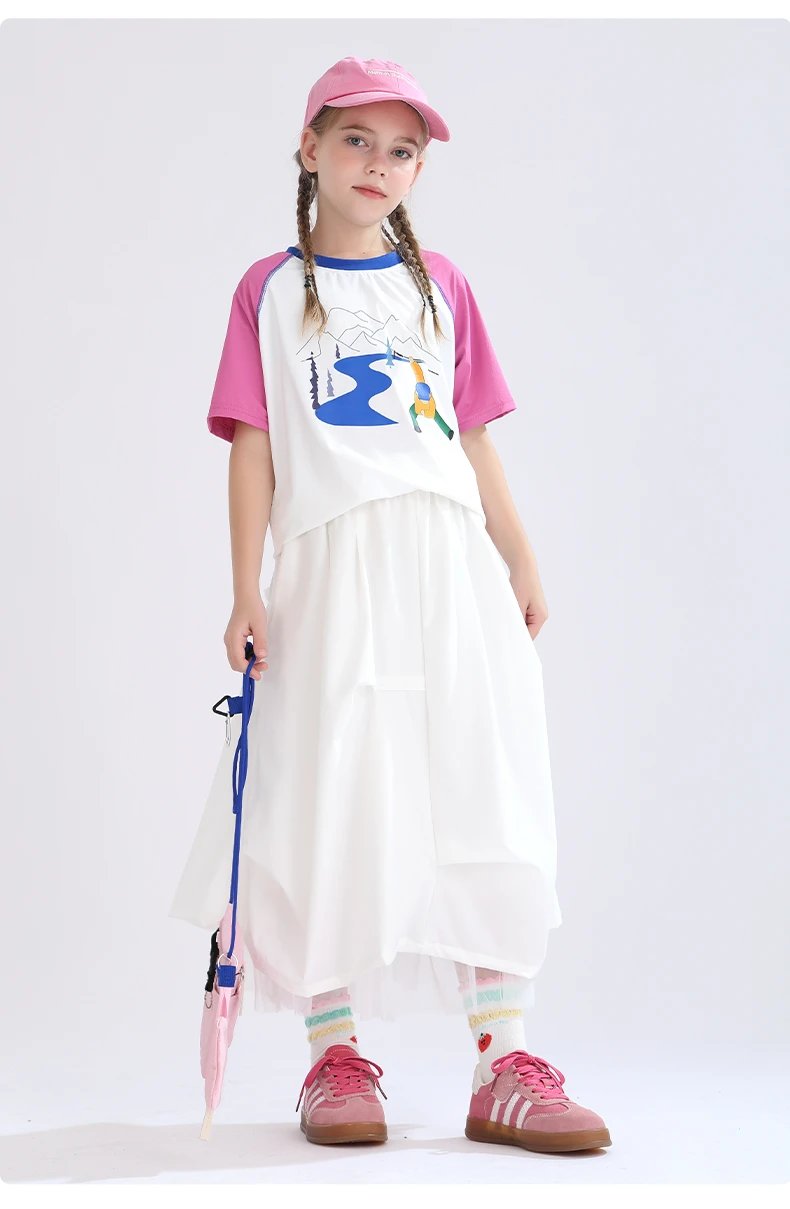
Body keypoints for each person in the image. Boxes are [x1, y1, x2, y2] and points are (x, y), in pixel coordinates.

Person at [169, 55, 611, 1154]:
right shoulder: (269, 291)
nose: (379, 164)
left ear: (420, 170)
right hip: (332, 566)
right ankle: (333, 1053)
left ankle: (502, 1059)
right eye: (357, 140)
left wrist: (519, 556)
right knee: (329, 787)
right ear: (309, 149)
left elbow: (471, 436)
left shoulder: (440, 284)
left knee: (478, 782)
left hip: (445, 562)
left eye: (402, 149)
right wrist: (245, 587)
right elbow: (254, 445)